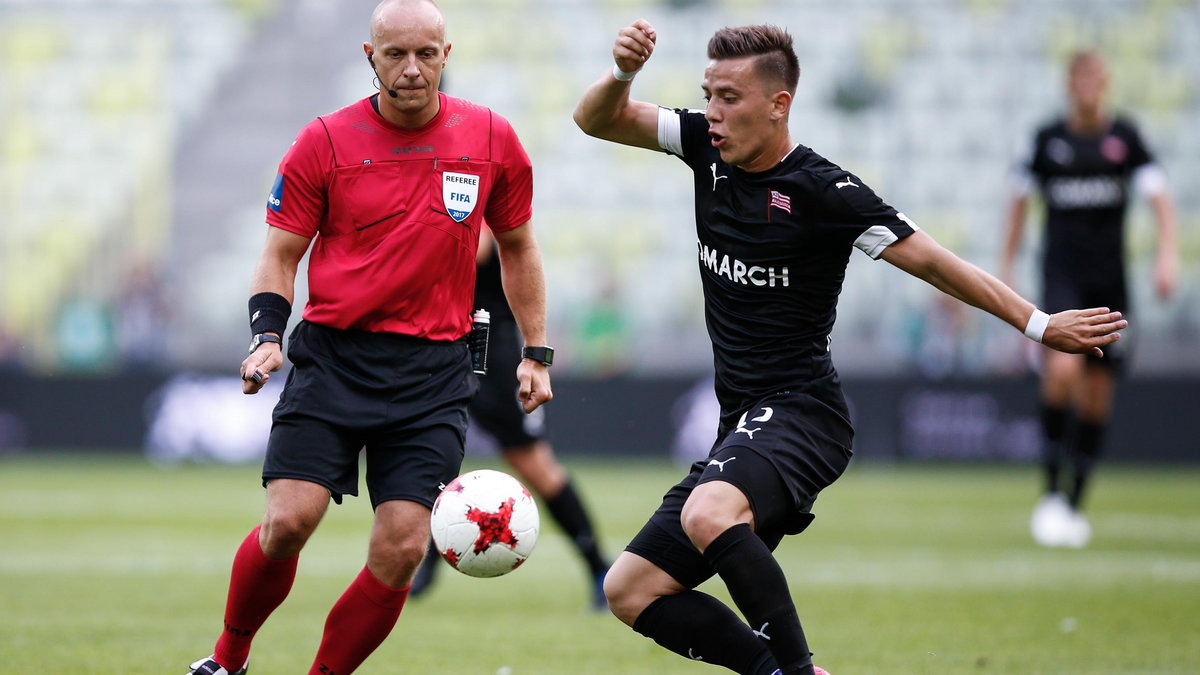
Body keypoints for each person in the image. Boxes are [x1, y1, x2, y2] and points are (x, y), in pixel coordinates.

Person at [573, 21, 1127, 675]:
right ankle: (772, 670)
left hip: (805, 414)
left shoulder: (823, 191)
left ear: (779, 104)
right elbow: (596, 121)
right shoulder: (704, 147)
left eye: (729, 97)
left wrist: (1038, 325)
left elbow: (935, 264)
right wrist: (621, 72)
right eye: (708, 94)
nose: (713, 112)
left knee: (708, 510)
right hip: (742, 421)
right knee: (630, 589)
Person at [186, 1, 553, 673]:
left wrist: (535, 351)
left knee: (404, 546)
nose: (412, 70)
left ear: (447, 53)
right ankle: (227, 659)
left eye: (427, 54)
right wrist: (267, 333)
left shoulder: (492, 137)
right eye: (395, 55)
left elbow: (521, 248)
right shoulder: (323, 142)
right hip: (333, 356)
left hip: (434, 371)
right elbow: (280, 253)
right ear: (369, 56)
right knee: (288, 522)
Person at [1001, 50, 1178, 549]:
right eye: (1080, 78)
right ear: (1068, 84)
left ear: (1105, 83)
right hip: (1062, 281)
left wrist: (1166, 257)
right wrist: (1007, 269)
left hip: (1110, 286)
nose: (1088, 87)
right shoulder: (1045, 141)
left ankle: (1074, 505)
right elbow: (1016, 205)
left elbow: (1161, 203)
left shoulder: (1126, 139)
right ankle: (1050, 495)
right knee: (1062, 373)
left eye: (1096, 78)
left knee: (1098, 394)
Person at [409, 227, 611, 609]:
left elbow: (472, 249)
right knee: (434, 454)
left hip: (492, 353)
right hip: (436, 345)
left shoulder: (475, 188)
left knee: (534, 466)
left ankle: (599, 568)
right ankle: (424, 568)